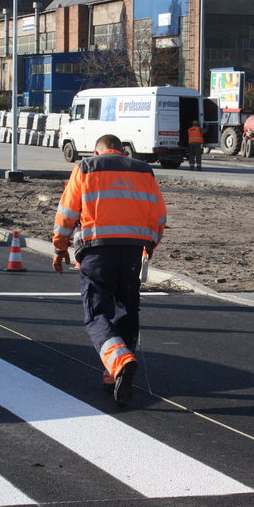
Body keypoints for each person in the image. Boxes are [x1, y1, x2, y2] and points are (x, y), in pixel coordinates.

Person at [52, 134, 167, 408]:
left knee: (97, 315)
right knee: (126, 311)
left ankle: (119, 361)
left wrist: (60, 248)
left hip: (96, 251)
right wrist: (150, 244)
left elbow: (67, 211)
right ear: (122, 149)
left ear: (97, 150)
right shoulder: (143, 170)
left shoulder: (86, 167)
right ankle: (113, 374)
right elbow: (159, 215)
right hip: (131, 252)